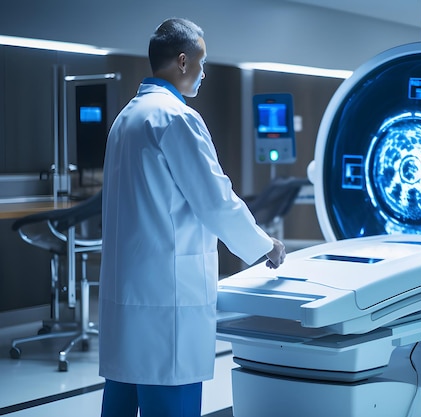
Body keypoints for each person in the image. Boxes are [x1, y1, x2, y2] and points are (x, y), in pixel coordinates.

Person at [98, 17, 286, 417]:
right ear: (183, 62)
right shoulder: (177, 118)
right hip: (169, 295)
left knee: (123, 398)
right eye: (202, 62)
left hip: (128, 291)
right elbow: (215, 200)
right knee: (171, 397)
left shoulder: (126, 119)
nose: (204, 72)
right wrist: (264, 244)